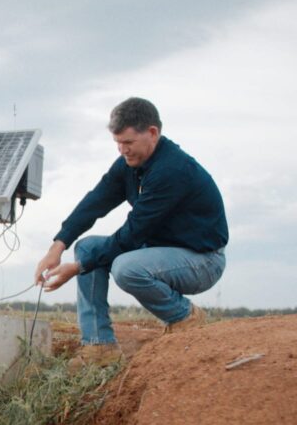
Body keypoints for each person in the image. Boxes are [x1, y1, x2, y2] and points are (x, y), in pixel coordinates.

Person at [34, 97, 228, 366]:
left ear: (152, 133)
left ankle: (185, 318)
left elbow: (133, 234)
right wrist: (57, 246)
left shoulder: (172, 171)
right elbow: (96, 201)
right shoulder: (129, 164)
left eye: (127, 142)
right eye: (117, 143)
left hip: (202, 260)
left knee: (126, 268)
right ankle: (99, 347)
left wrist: (77, 268)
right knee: (87, 246)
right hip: (159, 250)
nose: (122, 150)